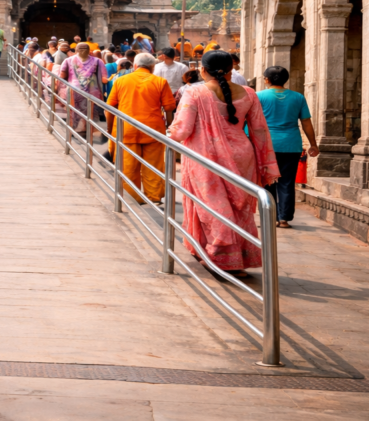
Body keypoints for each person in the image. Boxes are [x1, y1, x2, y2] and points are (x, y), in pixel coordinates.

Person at [167, 51, 280, 278]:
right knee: (239, 209)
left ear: (203, 69)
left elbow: (181, 130)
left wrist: (166, 134)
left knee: (214, 208)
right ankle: (237, 258)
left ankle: (221, 258)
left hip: (205, 158)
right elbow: (259, 131)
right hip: (242, 156)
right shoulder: (249, 93)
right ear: (231, 69)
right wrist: (266, 163)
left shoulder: (195, 92)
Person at [105, 53, 176, 204]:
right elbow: (169, 108)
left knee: (128, 166)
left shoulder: (121, 81)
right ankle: (153, 197)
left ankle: (132, 197)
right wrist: (169, 126)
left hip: (126, 129)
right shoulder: (160, 82)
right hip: (153, 130)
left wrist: (110, 129)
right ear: (153, 67)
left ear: (135, 66)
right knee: (153, 165)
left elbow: (109, 108)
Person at [257, 66, 319, 228]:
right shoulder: (298, 97)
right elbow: (306, 122)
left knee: (267, 182)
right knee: (287, 182)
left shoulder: (259, 97)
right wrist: (313, 144)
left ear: (267, 80)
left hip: (267, 145)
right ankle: (283, 218)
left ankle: (269, 217)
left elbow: (252, 122)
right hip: (291, 145)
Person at [57, 42, 109, 139]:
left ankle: (74, 130)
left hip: (74, 90)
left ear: (76, 50)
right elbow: (104, 78)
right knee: (90, 113)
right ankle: (87, 131)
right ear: (89, 50)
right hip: (92, 93)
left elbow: (62, 76)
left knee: (74, 112)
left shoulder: (68, 60)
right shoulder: (98, 61)